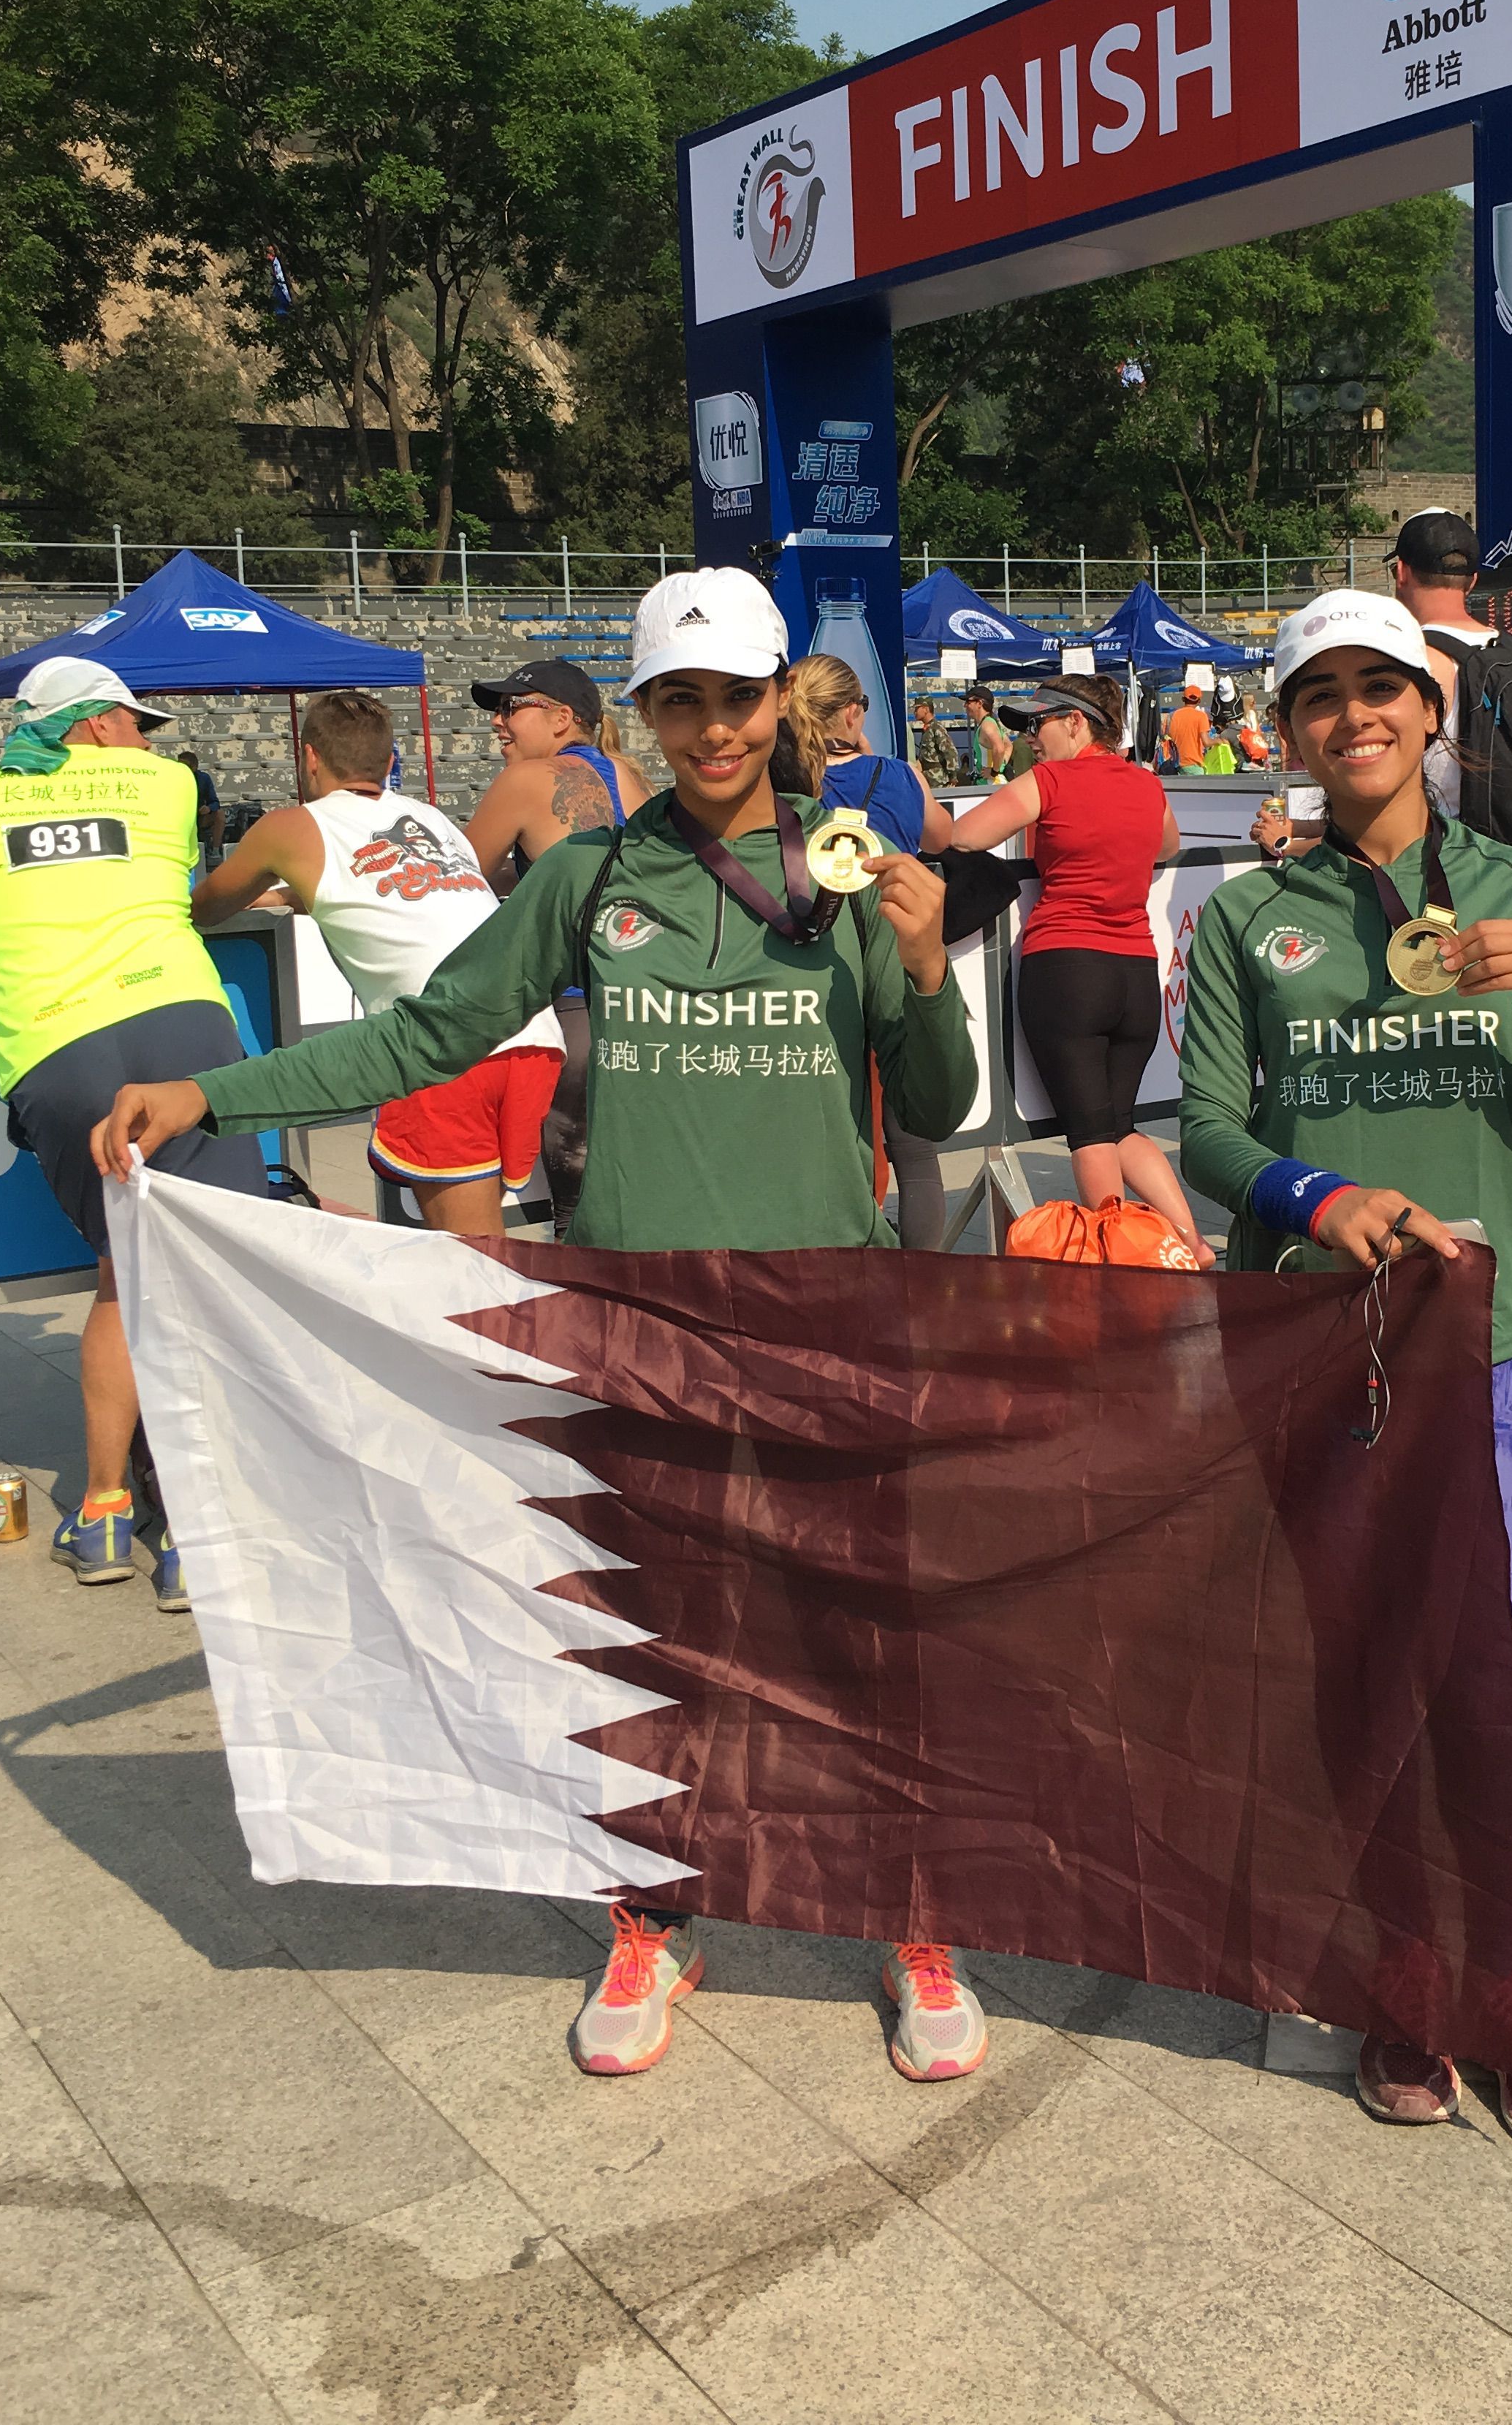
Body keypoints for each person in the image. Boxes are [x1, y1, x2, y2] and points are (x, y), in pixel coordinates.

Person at [91, 569, 988, 2087]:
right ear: (643, 716)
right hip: (638, 1317)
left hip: (827, 1311)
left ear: (783, 707)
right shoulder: (588, 881)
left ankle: (911, 1916)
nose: (712, 729)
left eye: (738, 698)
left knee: (855, 1638)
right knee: (646, 1638)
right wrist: (216, 1091)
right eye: (680, 701)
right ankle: (658, 1912)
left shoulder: (855, 870)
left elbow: (946, 1103)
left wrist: (914, 964)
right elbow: (428, 1034)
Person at [1175, 589, 1512, 2151]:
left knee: (1478, 1678)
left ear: (1433, 715)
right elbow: (1212, 1136)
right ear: (1286, 731)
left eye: (1385, 688)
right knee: (1352, 1671)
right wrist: (1317, 1197)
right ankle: (1397, 1985)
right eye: (1321, 696)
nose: (1355, 715)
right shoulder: (1248, 921)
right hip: (1311, 1344)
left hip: (1482, 1355)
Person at [0, 657, 268, 1609]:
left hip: (56, 1056)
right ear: (98, 724)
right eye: (134, 720)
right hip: (184, 1033)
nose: (147, 736)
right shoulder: (168, 782)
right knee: (209, 1278)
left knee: (125, 1274)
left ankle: (105, 1509)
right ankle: (197, 1528)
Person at [188, 689, 564, 1234]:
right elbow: (383, 890)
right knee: (482, 1237)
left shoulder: (293, 827)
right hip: (532, 1037)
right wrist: (286, 895)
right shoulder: (427, 816)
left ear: (310, 757)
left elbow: (205, 909)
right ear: (389, 763)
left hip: (443, 1045)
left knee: (471, 1257)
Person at [1390, 507, 1512, 1347]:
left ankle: (1446, 1275)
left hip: (1448, 900)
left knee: (1441, 1084)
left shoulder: (1415, 663)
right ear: (1474, 575)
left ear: (1401, 573)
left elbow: (1407, 801)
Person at [949, 674, 1211, 1263]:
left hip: (1066, 968)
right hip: (1137, 974)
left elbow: (965, 836)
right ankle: (1192, 1241)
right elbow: (1168, 846)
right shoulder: (1147, 784)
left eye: (1038, 725)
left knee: (1090, 1133)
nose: (1030, 740)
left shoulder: (1048, 780)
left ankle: (1116, 1260)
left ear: (1076, 722)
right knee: (1119, 1125)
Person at [773, 651, 956, 1249]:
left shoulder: (792, 779)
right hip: (897, 952)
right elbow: (942, 836)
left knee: (842, 1133)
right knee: (915, 1149)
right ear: (854, 712)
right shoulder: (900, 773)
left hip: (819, 968)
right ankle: (925, 1287)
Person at [463, 658, 651, 1233]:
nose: (499, 722)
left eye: (512, 708)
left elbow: (459, 874)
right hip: (649, 1003)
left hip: (577, 1010)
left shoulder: (526, 781)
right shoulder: (630, 775)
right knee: (640, 1190)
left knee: (574, 1207)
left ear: (562, 718)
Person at [178, 748, 224, 865]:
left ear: (195, 767)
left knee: (220, 815)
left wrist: (208, 808)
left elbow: (215, 802)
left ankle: (215, 851)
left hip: (200, 816)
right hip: (181, 816)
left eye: (187, 766)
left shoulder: (204, 779)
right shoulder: (174, 778)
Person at [910, 694, 963, 792]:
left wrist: (953, 776)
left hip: (938, 780)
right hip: (929, 779)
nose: (915, 712)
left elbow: (949, 751)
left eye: (917, 709)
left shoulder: (937, 728)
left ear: (926, 709)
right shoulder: (928, 729)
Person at [1164, 686, 1212, 773]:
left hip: (1176, 764)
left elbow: (1167, 737)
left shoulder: (1172, 716)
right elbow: (1207, 743)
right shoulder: (1201, 716)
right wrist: (1221, 741)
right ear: (1199, 701)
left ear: (1183, 699)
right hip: (1194, 764)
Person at [967, 688, 1011, 782]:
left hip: (991, 784)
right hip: (992, 783)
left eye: (968, 702)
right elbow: (1008, 745)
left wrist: (994, 772)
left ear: (980, 703)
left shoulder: (987, 725)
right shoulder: (990, 723)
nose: (965, 705)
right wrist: (1001, 765)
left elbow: (999, 748)